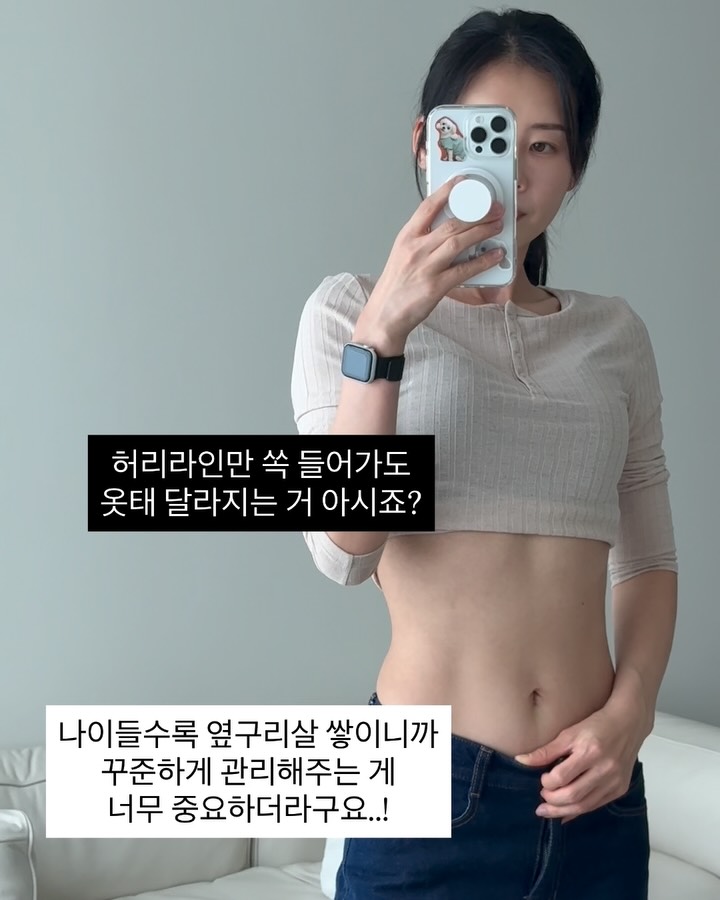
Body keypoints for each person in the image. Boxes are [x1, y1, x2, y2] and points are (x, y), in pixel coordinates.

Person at [291, 8, 678, 899]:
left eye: (544, 145)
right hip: (423, 792)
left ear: (576, 166)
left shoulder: (615, 335)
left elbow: (650, 559)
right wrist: (385, 334)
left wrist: (631, 716)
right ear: (428, 145)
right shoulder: (346, 312)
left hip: (595, 794)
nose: (514, 173)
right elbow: (343, 551)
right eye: (487, 139)